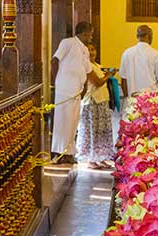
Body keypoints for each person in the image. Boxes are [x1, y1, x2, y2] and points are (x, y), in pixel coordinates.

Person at [51, 22, 99, 164]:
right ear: (84, 33)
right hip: (64, 90)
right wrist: (57, 81)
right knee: (62, 122)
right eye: (90, 34)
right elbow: (54, 60)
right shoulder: (68, 43)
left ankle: (69, 152)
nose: (90, 37)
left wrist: (84, 87)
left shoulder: (84, 49)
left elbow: (87, 71)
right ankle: (59, 153)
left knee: (72, 123)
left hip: (76, 91)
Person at [77, 44, 115, 169]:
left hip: (102, 101)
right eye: (88, 50)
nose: (91, 52)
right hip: (91, 103)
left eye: (93, 49)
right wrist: (109, 75)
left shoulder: (97, 66)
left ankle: (101, 157)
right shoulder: (86, 66)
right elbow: (97, 82)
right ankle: (91, 159)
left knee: (101, 132)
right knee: (91, 132)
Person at [119, 25, 158, 96]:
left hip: (132, 98)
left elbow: (124, 80)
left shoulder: (126, 53)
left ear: (137, 36)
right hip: (152, 100)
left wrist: (126, 98)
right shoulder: (156, 55)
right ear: (150, 36)